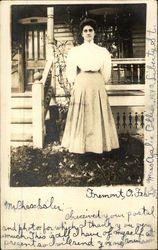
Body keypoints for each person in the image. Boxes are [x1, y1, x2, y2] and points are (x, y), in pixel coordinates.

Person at [61, 18, 119, 154]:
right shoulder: (75, 51)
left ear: (94, 33)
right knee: (82, 113)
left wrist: (99, 81)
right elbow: (71, 71)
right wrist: (75, 82)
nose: (88, 33)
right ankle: (80, 146)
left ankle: (99, 146)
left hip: (97, 83)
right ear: (82, 34)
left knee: (97, 113)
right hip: (81, 83)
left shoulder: (102, 51)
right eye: (85, 31)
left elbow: (106, 73)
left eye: (90, 30)